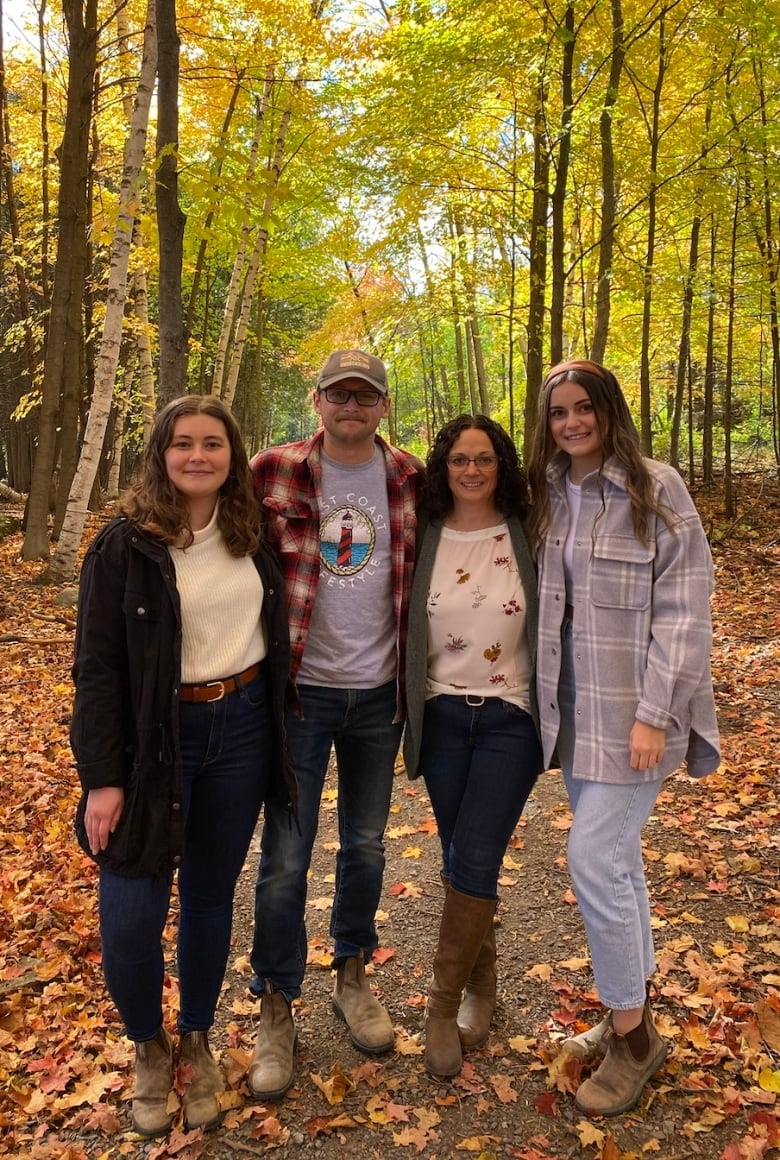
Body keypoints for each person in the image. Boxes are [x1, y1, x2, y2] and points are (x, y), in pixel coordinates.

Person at [70, 396, 295, 1138]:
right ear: (161, 454)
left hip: (241, 730)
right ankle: (149, 1048)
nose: (199, 456)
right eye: (184, 444)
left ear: (234, 454)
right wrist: (102, 779)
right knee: (130, 920)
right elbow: (97, 671)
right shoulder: (123, 547)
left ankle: (195, 1037)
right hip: (151, 747)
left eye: (213, 444)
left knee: (207, 899)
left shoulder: (250, 533)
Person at [527, 359, 720, 1117]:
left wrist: (654, 712)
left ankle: (634, 1042)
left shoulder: (654, 487)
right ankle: (629, 1018)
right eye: (558, 413)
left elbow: (684, 608)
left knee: (592, 859)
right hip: (572, 709)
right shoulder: (547, 491)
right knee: (620, 864)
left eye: (584, 409)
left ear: (608, 411)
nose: (572, 423)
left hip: (636, 714)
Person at [246, 349, 424, 1099]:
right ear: (316, 399)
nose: (352, 405)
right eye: (339, 393)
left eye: (366, 395)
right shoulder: (269, 470)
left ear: (383, 405)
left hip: (379, 697)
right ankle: (277, 1003)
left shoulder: (412, 476)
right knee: (286, 856)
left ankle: (353, 970)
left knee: (366, 843)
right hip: (301, 696)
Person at [403, 415, 543, 1078]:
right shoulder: (425, 534)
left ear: (502, 465)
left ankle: (440, 1008)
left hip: (510, 716)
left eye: (484, 458)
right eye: (459, 458)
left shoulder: (526, 530)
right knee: (460, 857)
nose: (471, 470)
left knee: (477, 854)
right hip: (442, 718)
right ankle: (482, 983)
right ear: (444, 465)